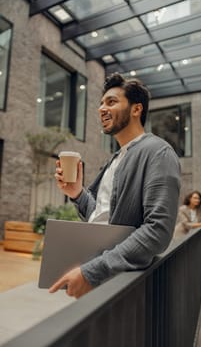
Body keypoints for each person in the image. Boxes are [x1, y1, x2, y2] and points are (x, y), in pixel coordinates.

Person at [49, 73, 181, 298]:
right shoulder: (115, 159)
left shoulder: (158, 152)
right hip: (100, 276)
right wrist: (77, 193)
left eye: (111, 102)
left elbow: (158, 231)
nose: (101, 109)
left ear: (136, 109)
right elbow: (102, 217)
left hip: (122, 285)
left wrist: (92, 272)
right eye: (101, 103)